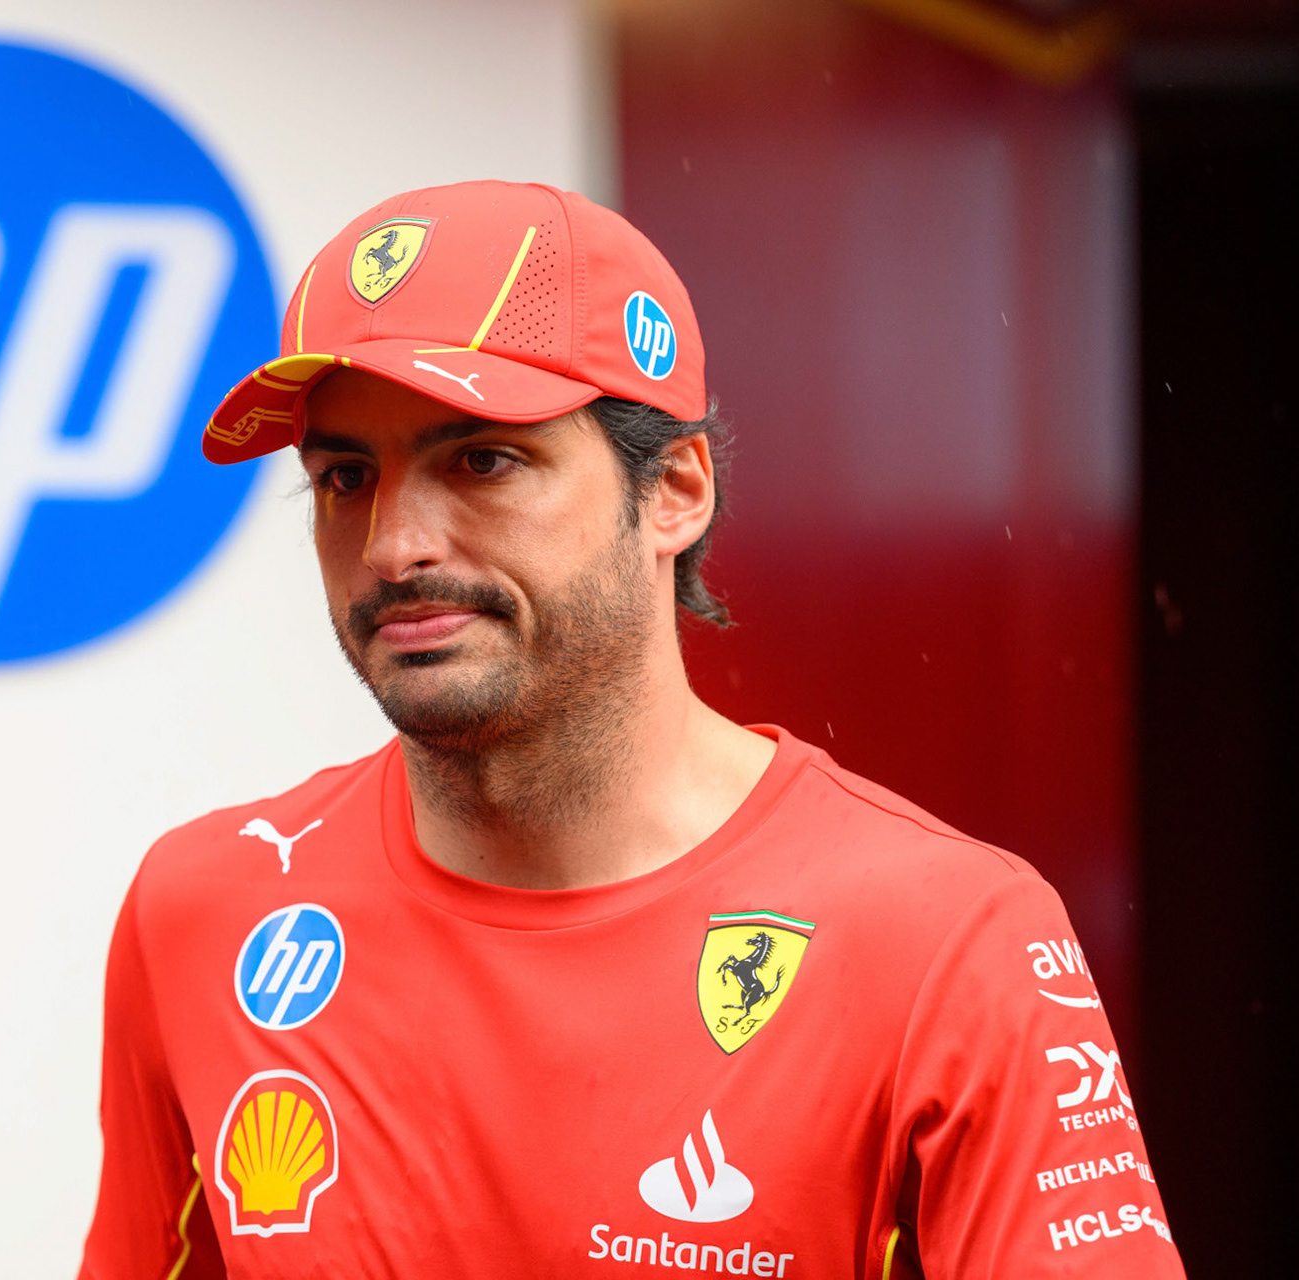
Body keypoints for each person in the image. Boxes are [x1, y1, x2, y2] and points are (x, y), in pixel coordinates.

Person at [77, 181, 1183, 1279]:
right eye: (346, 475)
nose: (393, 543)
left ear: (676, 490)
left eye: (483, 459)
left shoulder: (948, 937)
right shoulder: (206, 910)